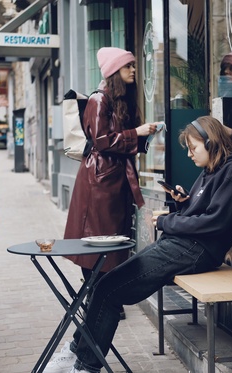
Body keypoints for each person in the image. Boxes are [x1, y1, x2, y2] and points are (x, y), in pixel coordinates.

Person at [49, 115, 232, 373]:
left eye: (193, 147)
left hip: (197, 251)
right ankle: (78, 351)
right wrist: (182, 203)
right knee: (104, 285)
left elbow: (215, 223)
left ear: (211, 142)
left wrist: (167, 222)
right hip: (183, 244)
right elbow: (202, 215)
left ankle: (85, 365)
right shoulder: (212, 170)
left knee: (109, 291)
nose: (189, 154)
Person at [63, 48, 158, 317]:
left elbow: (117, 139)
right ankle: (96, 297)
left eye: (133, 66)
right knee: (97, 240)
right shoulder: (99, 100)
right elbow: (102, 141)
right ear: (114, 72)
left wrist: (144, 135)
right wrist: (135, 133)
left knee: (115, 239)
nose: (133, 70)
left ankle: (104, 298)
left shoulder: (120, 100)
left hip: (114, 179)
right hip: (99, 182)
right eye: (128, 66)